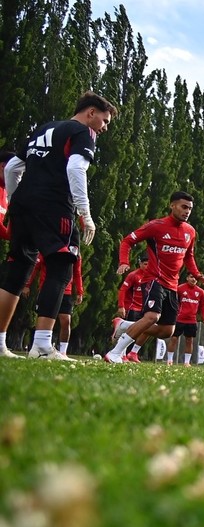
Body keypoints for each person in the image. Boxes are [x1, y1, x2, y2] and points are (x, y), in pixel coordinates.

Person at [0, 91, 117, 360]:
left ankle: (0, 343)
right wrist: (85, 213)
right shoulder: (84, 132)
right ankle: (42, 345)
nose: (104, 127)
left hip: (23, 207)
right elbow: (75, 169)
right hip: (55, 207)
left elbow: (12, 168)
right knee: (61, 267)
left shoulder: (44, 128)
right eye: (104, 120)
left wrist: (16, 200)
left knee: (17, 272)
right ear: (91, 113)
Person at [105, 192, 204, 363]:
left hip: (172, 285)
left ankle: (123, 325)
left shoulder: (190, 231)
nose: (187, 211)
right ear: (172, 205)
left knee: (167, 331)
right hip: (154, 280)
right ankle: (114, 353)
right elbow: (127, 241)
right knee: (152, 317)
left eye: (190, 208)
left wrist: (197, 274)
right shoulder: (156, 226)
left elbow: (188, 256)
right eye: (184, 207)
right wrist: (124, 261)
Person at [23, 253, 84, 356]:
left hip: (66, 291)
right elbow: (36, 266)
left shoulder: (75, 251)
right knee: (45, 317)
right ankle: (38, 347)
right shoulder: (49, 247)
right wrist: (27, 284)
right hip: (48, 287)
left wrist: (79, 291)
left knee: (66, 321)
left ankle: (63, 352)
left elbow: (77, 272)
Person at [167, 272, 204, 366]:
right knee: (174, 338)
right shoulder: (180, 288)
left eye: (196, 278)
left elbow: (202, 306)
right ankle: (169, 360)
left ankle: (186, 362)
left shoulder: (201, 292)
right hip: (179, 319)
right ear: (187, 278)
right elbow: (173, 302)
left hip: (191, 320)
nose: (194, 279)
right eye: (191, 277)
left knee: (189, 340)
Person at [113, 254, 150, 346]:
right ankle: (121, 350)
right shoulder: (133, 275)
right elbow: (123, 290)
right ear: (140, 264)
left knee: (144, 331)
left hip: (145, 310)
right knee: (131, 333)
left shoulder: (152, 277)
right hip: (132, 308)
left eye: (149, 264)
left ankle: (132, 352)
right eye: (145, 264)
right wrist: (121, 306)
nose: (147, 267)